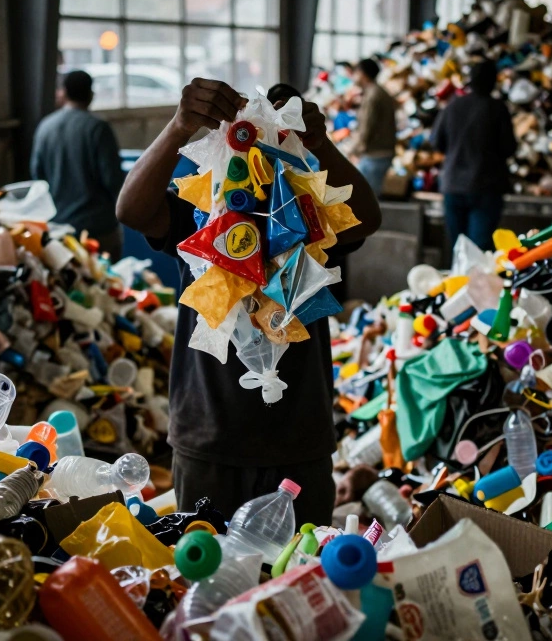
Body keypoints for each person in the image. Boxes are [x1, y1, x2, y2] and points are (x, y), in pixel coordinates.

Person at [116, 78, 381, 526]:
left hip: (299, 442)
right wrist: (180, 128)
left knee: (296, 577)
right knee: (210, 571)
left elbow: (367, 216)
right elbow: (131, 210)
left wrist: (322, 145)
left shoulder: (309, 217)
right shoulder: (202, 217)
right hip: (211, 439)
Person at [30, 70, 127, 260]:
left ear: (63, 93)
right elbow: (113, 180)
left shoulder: (45, 127)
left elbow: (38, 177)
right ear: (91, 95)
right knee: (107, 285)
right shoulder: (98, 128)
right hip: (99, 230)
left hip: (59, 229)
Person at [430, 60, 515, 253]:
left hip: (453, 185)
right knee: (479, 249)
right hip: (486, 186)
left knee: (458, 248)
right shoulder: (497, 108)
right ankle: (475, 283)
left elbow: (436, 142)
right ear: (493, 82)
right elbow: (509, 147)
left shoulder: (452, 107)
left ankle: (457, 282)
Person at [350, 58, 398, 196]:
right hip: (381, 153)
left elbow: (367, 127)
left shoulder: (372, 95)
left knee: (365, 200)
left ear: (362, 73)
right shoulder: (379, 91)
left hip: (374, 154)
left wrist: (355, 150)